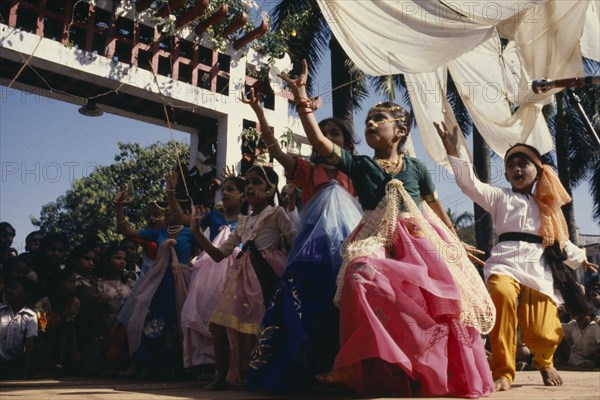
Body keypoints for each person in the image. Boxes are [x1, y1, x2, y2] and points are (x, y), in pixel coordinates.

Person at [276, 59, 496, 398]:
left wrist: (455, 244)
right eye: (367, 120)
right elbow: (320, 143)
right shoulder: (360, 164)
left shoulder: (418, 168)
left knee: (438, 300)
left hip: (420, 238)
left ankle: (438, 368)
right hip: (375, 236)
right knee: (359, 275)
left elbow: (436, 212)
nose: (370, 124)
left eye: (379, 119)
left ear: (401, 131)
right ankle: (356, 365)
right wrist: (303, 99)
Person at [436, 123, 599, 391]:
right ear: (507, 174)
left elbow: (561, 240)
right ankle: (503, 371)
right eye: (511, 165)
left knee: (543, 330)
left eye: (524, 163)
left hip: (538, 267)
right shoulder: (499, 197)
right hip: (505, 262)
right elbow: (469, 184)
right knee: (500, 293)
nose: (517, 169)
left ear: (538, 171)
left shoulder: (547, 207)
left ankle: (545, 362)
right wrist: (453, 151)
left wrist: (581, 258)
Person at [242, 89, 363, 392]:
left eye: (334, 133)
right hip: (312, 251)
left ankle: (347, 368)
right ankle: (304, 367)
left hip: (349, 248)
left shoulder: (359, 172)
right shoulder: (306, 170)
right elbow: (274, 147)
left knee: (346, 304)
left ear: (347, 143)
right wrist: (258, 110)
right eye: (322, 132)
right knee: (305, 303)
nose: (327, 136)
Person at [190, 165, 296, 390]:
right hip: (239, 278)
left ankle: (262, 373)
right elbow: (219, 255)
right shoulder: (243, 221)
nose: (249, 187)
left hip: (265, 276)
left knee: (261, 326)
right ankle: (221, 376)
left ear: (270, 189)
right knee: (219, 323)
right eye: (247, 183)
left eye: (256, 182)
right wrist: (197, 233)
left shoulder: (276, 213)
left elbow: (294, 240)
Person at [113, 172, 194, 377]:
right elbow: (127, 231)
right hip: (159, 283)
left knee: (181, 322)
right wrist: (118, 207)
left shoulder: (191, 231)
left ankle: (179, 367)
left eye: (169, 211)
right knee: (146, 320)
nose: (165, 215)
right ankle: (140, 365)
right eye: (164, 212)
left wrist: (171, 192)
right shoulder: (159, 233)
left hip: (184, 283)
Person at [181, 176, 245, 374]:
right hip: (212, 273)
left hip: (238, 272)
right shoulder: (215, 217)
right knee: (213, 317)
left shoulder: (247, 220)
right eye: (223, 189)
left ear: (242, 195)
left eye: (230, 189)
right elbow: (186, 221)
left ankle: (235, 367)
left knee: (234, 320)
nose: (225, 193)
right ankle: (214, 366)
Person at [97, 245, 135, 375]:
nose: (122, 261)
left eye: (124, 258)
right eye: (118, 258)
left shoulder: (130, 283)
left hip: (126, 324)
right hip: (107, 322)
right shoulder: (100, 283)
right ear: (107, 261)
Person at [0, 276, 39, 378]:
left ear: (26, 294)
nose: (8, 290)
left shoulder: (30, 316)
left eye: (13, 288)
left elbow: (30, 343)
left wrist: (25, 370)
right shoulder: (1, 311)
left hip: (16, 364)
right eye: (8, 287)